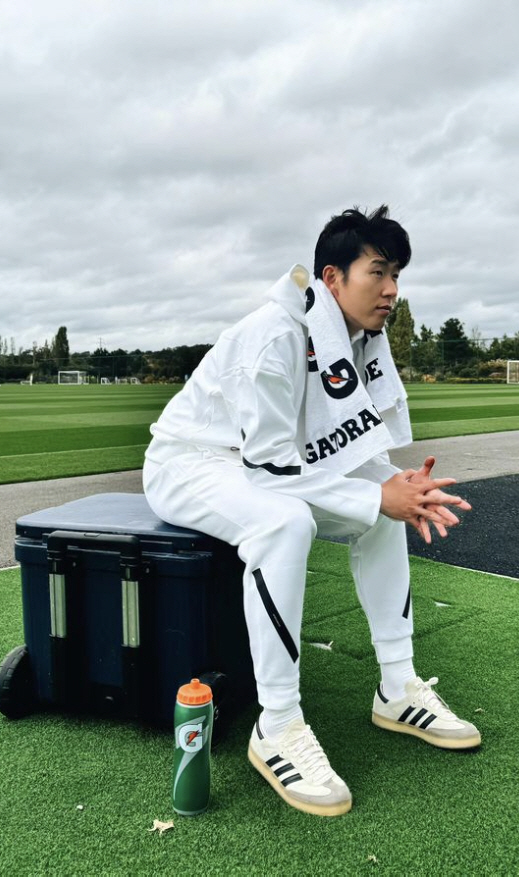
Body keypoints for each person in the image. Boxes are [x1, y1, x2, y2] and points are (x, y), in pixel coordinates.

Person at [143, 205, 479, 817]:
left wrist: (394, 486)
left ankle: (397, 686)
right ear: (332, 277)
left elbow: (340, 452)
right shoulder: (277, 335)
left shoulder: (355, 339)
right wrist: (376, 492)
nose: (393, 290)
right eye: (378, 272)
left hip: (256, 462)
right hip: (191, 463)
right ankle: (277, 725)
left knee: (385, 509)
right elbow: (268, 468)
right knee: (286, 521)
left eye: (397, 274)